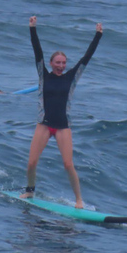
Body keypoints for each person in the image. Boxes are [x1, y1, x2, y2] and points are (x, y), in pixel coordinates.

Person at [20, 16, 103, 208]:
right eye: (57, 62)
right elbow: (37, 51)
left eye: (63, 63)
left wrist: (98, 35)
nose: (61, 65)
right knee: (32, 163)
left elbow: (86, 58)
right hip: (44, 124)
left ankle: (79, 200)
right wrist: (32, 28)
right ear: (51, 63)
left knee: (68, 165)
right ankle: (30, 191)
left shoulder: (72, 77)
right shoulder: (43, 75)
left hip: (63, 127)